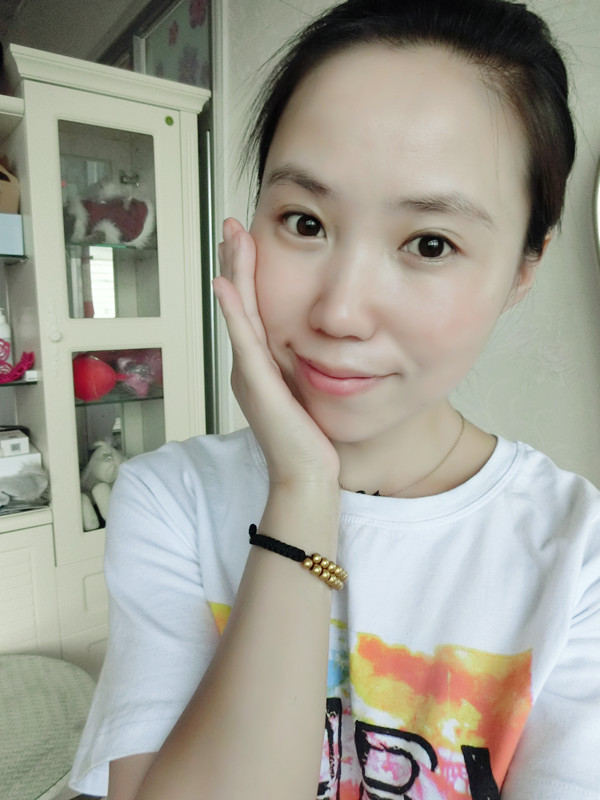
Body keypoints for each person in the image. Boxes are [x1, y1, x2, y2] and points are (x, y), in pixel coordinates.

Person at [70, 0, 600, 798]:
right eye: (305, 222)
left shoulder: (578, 558)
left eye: (430, 243)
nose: (341, 312)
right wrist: (303, 491)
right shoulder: (170, 500)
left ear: (525, 267)